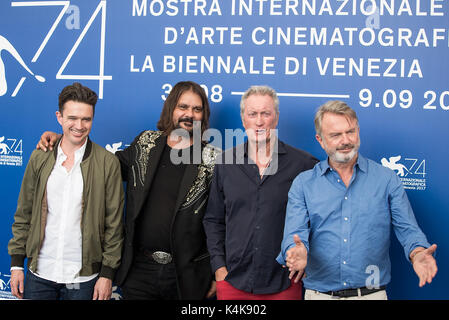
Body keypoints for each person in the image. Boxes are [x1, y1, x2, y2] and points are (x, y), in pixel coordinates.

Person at [36, 81, 218, 300]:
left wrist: (219, 273)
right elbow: (105, 165)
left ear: (203, 115)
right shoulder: (146, 143)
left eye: (196, 109)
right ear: (171, 109)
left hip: (187, 275)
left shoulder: (213, 159)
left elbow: (222, 220)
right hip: (140, 270)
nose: (189, 114)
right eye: (183, 107)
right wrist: (66, 141)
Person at [277, 100, 438, 300]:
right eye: (335, 135)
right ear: (320, 140)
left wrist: (418, 253)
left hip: (372, 294)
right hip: (319, 295)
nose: (345, 140)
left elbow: (408, 230)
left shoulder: (386, 179)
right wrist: (296, 251)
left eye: (350, 132)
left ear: (358, 131)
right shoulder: (303, 184)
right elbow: (294, 234)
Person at [8, 82, 124, 300]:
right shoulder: (40, 157)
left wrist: (107, 274)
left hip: (84, 279)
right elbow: (24, 213)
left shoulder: (107, 163)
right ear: (59, 117)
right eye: (72, 118)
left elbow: (114, 225)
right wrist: (16, 265)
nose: (79, 126)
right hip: (39, 273)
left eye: (86, 119)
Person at [203, 85, 318, 300]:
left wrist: (306, 256)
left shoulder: (304, 165)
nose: (259, 121)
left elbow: (319, 221)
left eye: (265, 113)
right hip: (233, 282)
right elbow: (213, 220)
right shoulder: (226, 163)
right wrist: (219, 267)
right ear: (243, 119)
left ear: (276, 118)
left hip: (285, 282)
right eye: (252, 114)